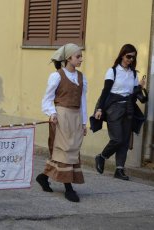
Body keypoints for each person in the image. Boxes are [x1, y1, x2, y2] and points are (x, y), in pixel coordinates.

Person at [36, 43, 87, 202]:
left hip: (75, 116)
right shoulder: (57, 76)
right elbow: (47, 98)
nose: (80, 59)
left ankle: (43, 177)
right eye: (78, 56)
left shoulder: (81, 77)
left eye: (80, 56)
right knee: (64, 149)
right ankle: (68, 188)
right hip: (61, 115)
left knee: (71, 150)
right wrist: (51, 113)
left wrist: (84, 122)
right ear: (68, 58)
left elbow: (83, 101)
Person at [94, 44, 146, 180]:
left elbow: (134, 94)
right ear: (122, 55)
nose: (130, 59)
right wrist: (99, 108)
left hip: (128, 108)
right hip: (114, 108)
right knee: (117, 139)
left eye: (133, 57)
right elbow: (105, 91)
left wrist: (140, 87)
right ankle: (102, 156)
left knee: (125, 140)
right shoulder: (113, 71)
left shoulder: (133, 73)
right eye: (128, 56)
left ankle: (119, 169)